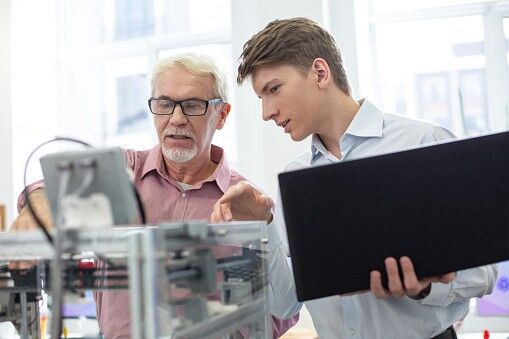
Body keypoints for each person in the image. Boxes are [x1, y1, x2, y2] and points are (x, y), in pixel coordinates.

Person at [210, 17, 498, 339]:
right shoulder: (295, 178)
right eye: (261, 97)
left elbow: (483, 273)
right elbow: (284, 304)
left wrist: (424, 287)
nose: (266, 112)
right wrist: (262, 224)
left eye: (273, 89)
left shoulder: (423, 142)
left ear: (320, 73)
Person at [11, 53, 298, 338]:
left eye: (192, 105)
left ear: (221, 115)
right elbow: (43, 190)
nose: (176, 119)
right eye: (164, 104)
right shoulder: (120, 173)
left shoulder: (245, 201)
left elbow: (282, 314)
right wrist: (40, 205)